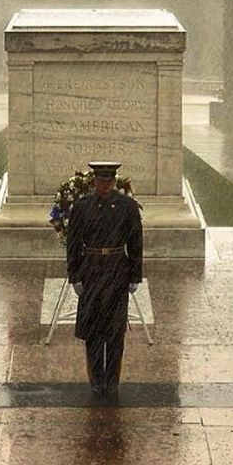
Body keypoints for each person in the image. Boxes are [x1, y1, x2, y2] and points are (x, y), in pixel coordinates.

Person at [67, 161, 143, 399]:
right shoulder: (81, 207)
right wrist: (75, 276)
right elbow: (73, 245)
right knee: (93, 330)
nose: (104, 186)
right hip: (91, 271)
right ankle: (96, 379)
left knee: (114, 330)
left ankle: (112, 380)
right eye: (101, 182)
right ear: (94, 182)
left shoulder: (127, 207)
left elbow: (136, 243)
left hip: (116, 271)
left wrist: (135, 275)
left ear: (114, 182)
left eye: (108, 182)